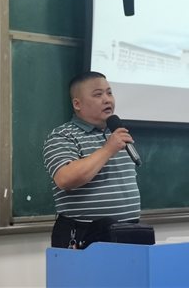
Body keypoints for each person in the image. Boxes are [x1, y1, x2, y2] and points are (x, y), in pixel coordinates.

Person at [43, 71, 140, 248]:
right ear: (77, 104)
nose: (107, 100)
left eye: (109, 93)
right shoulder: (62, 136)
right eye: (98, 94)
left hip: (130, 231)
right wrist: (108, 149)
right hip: (82, 234)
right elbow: (65, 179)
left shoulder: (118, 134)